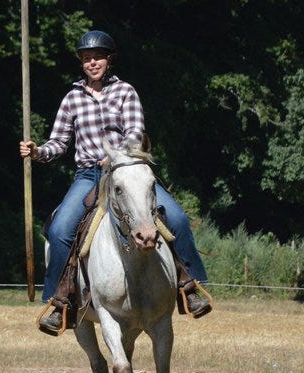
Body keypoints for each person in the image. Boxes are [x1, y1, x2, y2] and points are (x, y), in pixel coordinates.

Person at [20, 30, 211, 335]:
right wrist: (37, 151)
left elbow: (135, 132)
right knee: (59, 230)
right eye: (86, 58)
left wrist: (117, 156)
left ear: (109, 60)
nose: (91, 62)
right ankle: (61, 303)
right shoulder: (72, 98)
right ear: (81, 63)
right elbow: (59, 142)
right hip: (88, 176)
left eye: (97, 57)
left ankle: (190, 287)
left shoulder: (125, 91)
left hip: (126, 171)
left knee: (176, 217)